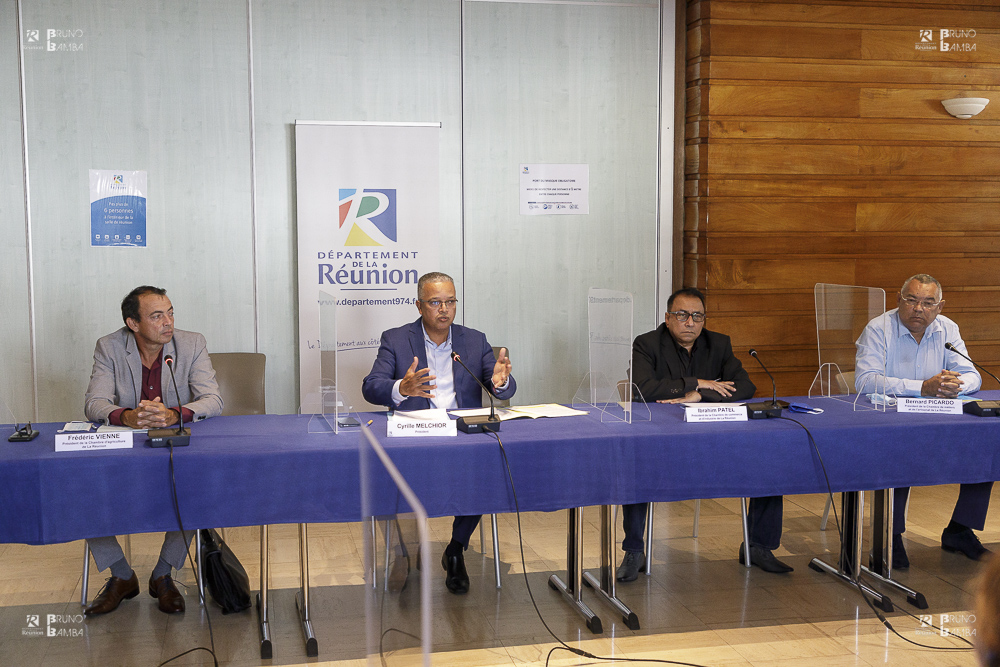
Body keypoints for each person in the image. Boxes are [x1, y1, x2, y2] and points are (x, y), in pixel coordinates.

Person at [617, 287, 793, 581]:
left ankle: (759, 546)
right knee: (638, 463)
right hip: (663, 436)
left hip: (715, 435)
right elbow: (643, 388)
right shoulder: (646, 344)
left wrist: (700, 396)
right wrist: (696, 382)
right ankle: (634, 550)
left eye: (697, 316)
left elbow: (745, 387)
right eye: (682, 315)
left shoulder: (719, 344)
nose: (690, 322)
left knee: (768, 456)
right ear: (668, 318)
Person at [362, 272, 515, 594]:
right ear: (419, 306)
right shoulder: (396, 339)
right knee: (385, 475)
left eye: (450, 302)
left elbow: (495, 382)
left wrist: (500, 382)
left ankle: (455, 549)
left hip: (462, 431)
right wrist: (400, 388)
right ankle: (402, 552)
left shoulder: (474, 340)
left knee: (484, 471)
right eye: (435, 303)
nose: (444, 309)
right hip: (416, 429)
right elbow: (372, 386)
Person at [83, 286, 223, 615]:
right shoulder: (109, 347)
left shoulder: (191, 343)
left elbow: (213, 399)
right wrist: (127, 416)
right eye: (157, 316)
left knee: (195, 486)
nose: (168, 322)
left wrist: (176, 413)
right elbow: (94, 403)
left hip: (174, 440)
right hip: (127, 443)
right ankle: (121, 575)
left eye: (171, 312)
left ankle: (163, 574)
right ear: (133, 323)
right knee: (81, 487)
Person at [855, 273, 989, 569]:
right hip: (892, 418)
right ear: (898, 300)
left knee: (986, 445)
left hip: (937, 415)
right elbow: (865, 381)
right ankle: (892, 535)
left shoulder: (947, 329)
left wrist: (956, 384)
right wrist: (921, 387)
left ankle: (960, 530)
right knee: (902, 454)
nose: (919, 309)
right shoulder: (878, 329)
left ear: (940, 306)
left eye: (928, 303)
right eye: (912, 300)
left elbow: (973, 374)